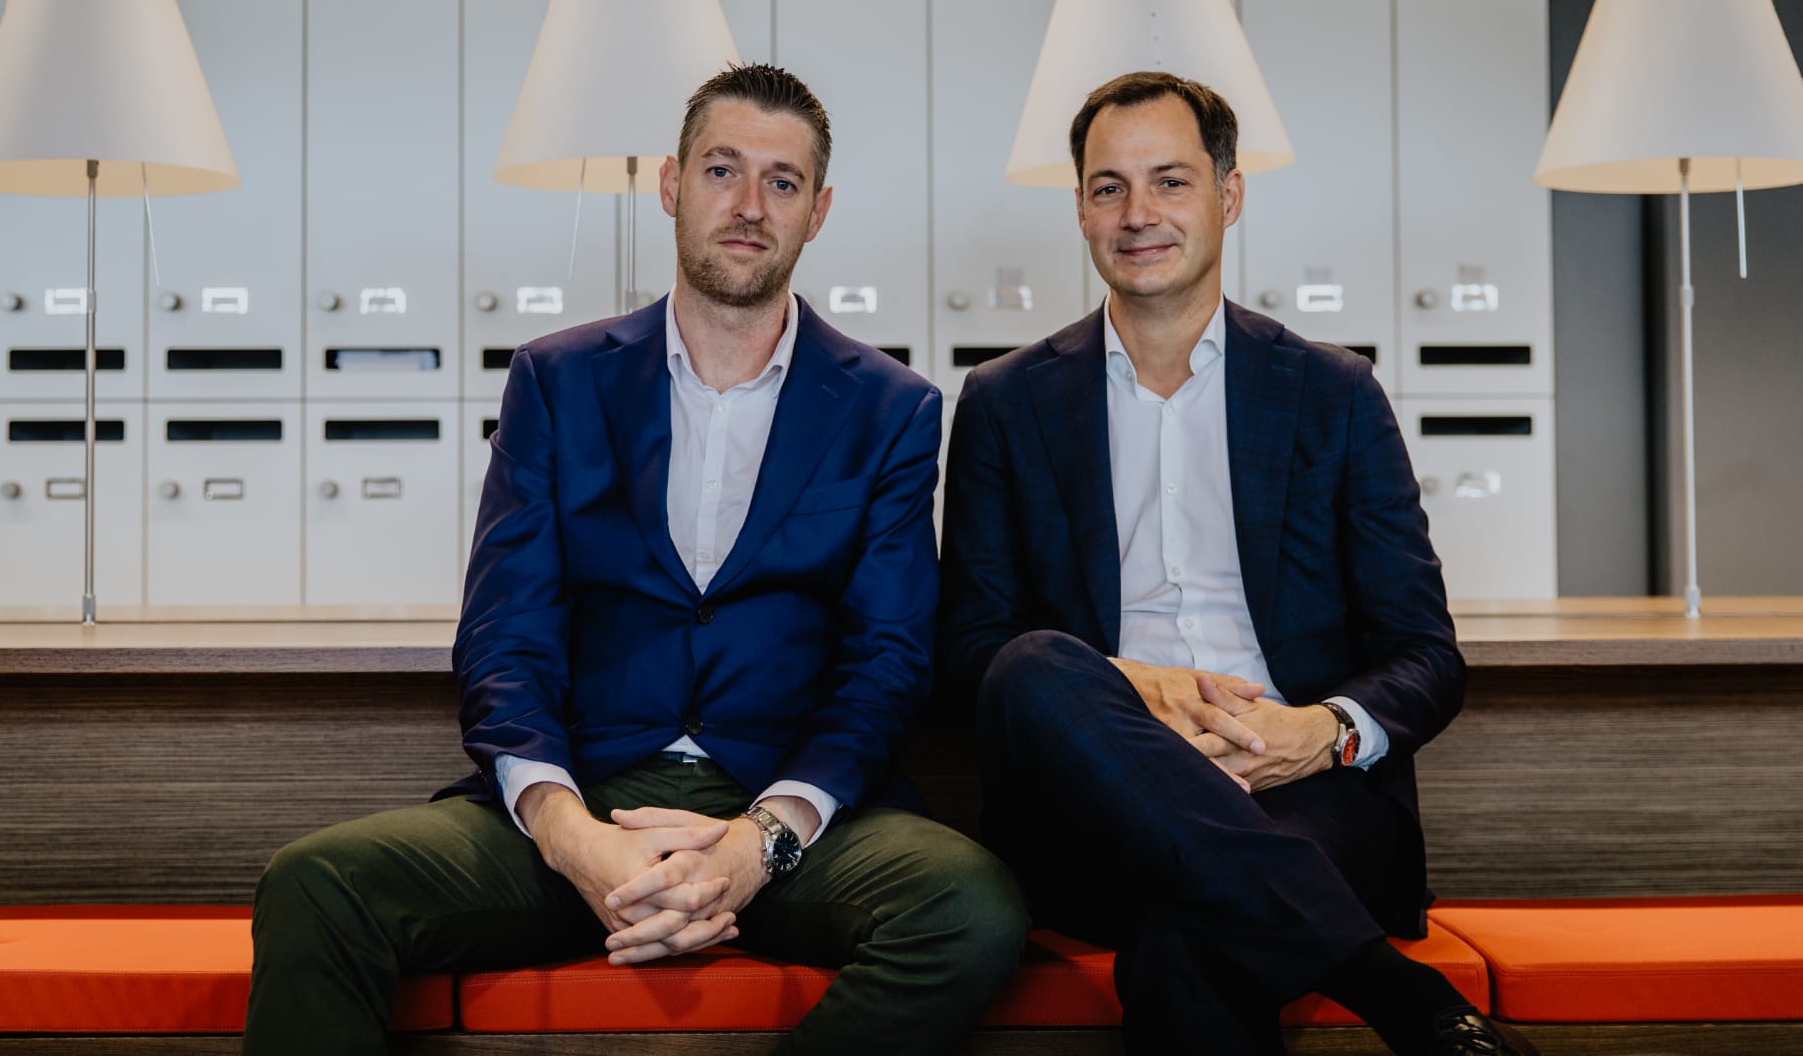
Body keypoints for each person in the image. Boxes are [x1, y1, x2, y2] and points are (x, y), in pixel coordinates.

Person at [246, 63, 1028, 1055]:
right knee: (318, 882)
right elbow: (504, 634)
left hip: (785, 820)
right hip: (581, 800)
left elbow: (888, 661)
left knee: (970, 906)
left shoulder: (890, 408)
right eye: (722, 170)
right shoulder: (557, 380)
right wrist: (575, 838)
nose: (749, 205)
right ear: (670, 183)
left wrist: (756, 844)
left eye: (782, 181)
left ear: (818, 211)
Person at [938, 71, 1537, 1056]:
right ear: (1080, 208)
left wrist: (1316, 733)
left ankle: (1378, 977)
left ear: (1229, 193)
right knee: (1036, 660)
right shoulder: (1007, 400)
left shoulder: (1333, 392)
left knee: (1190, 932)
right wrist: (1128, 685)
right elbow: (970, 647)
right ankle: (1399, 995)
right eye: (1109, 187)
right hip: (1095, 801)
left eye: (1170, 181)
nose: (1138, 214)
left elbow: (1425, 654)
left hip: (1301, 794)